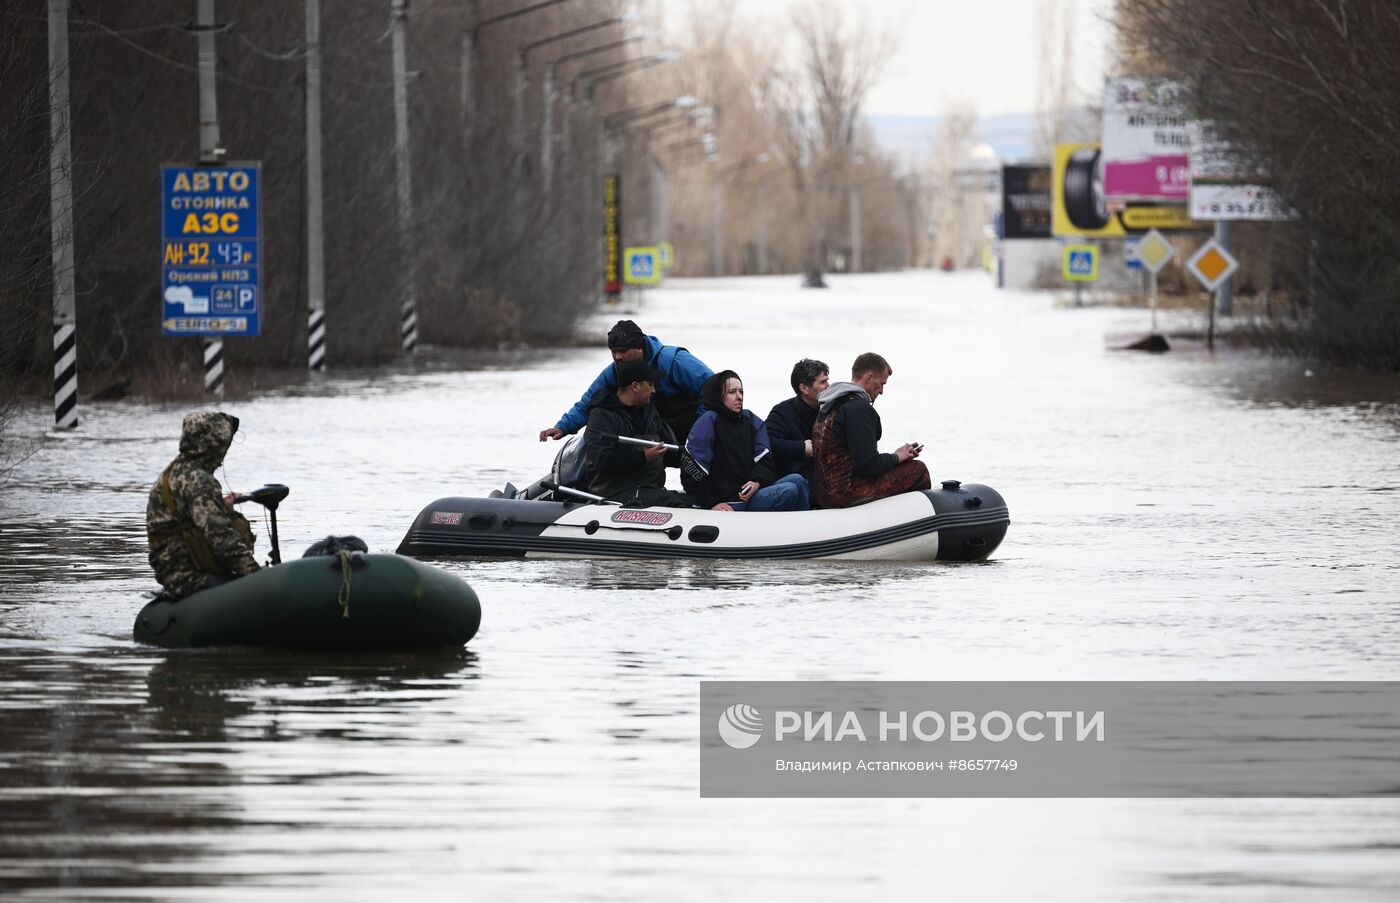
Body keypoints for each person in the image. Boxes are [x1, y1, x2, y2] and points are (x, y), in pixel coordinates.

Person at [539, 319, 714, 446]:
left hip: (693, 428)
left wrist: (698, 432)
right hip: (658, 432)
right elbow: (588, 402)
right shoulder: (615, 370)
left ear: (639, 349)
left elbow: (715, 388)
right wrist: (563, 427)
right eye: (613, 351)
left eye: (623, 351)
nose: (617, 357)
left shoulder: (674, 361)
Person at [146, 411, 259, 599]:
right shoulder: (198, 481)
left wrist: (225, 510)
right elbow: (223, 541)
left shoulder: (175, 471)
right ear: (212, 444)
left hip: (170, 571)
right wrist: (258, 577)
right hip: (186, 575)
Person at [812, 353, 930, 508]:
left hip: (822, 493)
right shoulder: (858, 408)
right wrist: (896, 457)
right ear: (868, 378)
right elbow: (868, 466)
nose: (881, 391)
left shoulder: (831, 404)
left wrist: (897, 456)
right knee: (918, 470)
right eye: (882, 384)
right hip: (845, 492)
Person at [682, 370, 810, 512]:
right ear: (718, 395)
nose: (739, 397)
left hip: (749, 493)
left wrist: (757, 481)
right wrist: (711, 503)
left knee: (798, 479)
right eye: (732, 392)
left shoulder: (752, 421)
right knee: (788, 490)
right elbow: (691, 470)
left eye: (741, 391)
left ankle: (808, 527)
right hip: (728, 501)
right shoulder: (707, 423)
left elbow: (766, 461)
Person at [582, 358, 691, 507]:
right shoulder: (601, 416)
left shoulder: (650, 413)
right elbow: (602, 460)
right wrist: (643, 457)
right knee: (671, 502)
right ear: (635, 386)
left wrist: (697, 456)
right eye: (651, 385)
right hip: (613, 492)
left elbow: (671, 453)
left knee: (693, 500)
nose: (654, 390)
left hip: (649, 489)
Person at [765, 358, 829, 484]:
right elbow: (767, 444)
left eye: (827, 381)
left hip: (829, 480)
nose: (828, 386)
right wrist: (801, 448)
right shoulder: (782, 412)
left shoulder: (832, 411)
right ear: (804, 388)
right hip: (797, 484)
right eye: (822, 382)